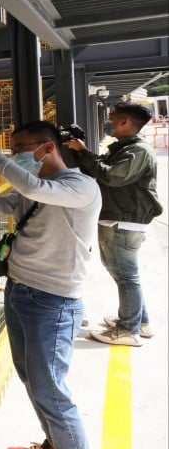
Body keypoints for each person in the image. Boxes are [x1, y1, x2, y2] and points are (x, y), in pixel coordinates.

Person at [0, 121, 99, 449]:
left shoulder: (80, 186)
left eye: (21, 150)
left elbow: (30, 186)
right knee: (32, 381)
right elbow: (6, 206)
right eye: (12, 151)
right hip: (19, 290)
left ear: (48, 148)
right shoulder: (35, 187)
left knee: (51, 392)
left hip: (53, 301)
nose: (16, 157)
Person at [64, 101, 162, 347]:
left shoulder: (138, 151)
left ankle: (128, 329)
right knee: (124, 275)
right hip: (120, 218)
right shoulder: (126, 147)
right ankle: (140, 322)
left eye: (112, 117)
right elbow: (104, 170)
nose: (108, 121)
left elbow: (110, 176)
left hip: (124, 221)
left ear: (125, 122)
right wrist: (82, 152)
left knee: (126, 276)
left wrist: (84, 152)